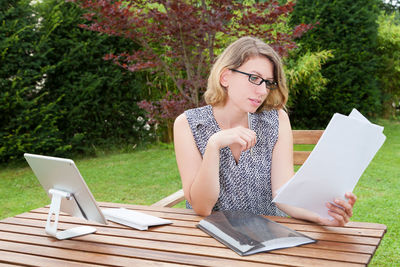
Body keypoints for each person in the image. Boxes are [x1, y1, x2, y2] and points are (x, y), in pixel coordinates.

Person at [173, 36, 356, 226]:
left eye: (268, 82)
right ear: (225, 77)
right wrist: (214, 145)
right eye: (254, 78)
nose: (262, 91)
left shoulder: (275, 120)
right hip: (212, 238)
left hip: (268, 235)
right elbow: (202, 207)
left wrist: (319, 216)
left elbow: (282, 191)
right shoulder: (188, 124)